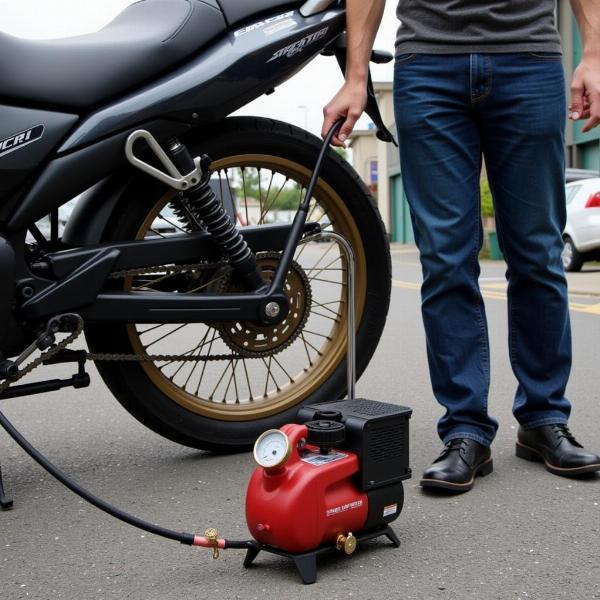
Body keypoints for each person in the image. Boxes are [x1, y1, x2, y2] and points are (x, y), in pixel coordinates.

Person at [322, 0, 600, 492]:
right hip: (428, 65)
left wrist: (594, 53)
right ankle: (466, 429)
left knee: (537, 255)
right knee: (447, 262)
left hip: (529, 58)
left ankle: (543, 419)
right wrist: (357, 75)